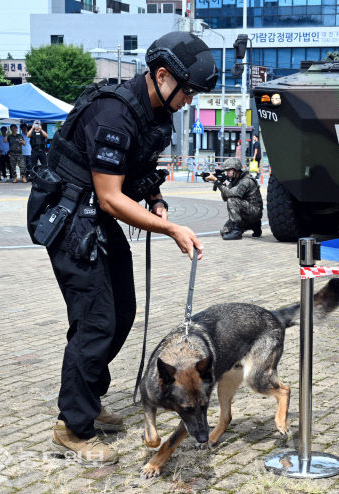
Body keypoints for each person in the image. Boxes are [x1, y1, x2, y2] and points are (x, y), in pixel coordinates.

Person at [27, 31, 218, 464]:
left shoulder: (155, 115)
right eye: (188, 91)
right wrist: (171, 231)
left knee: (123, 311)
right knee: (95, 322)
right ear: (164, 76)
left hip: (97, 216)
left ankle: (88, 400)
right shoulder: (112, 113)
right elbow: (112, 195)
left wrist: (157, 201)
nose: (190, 100)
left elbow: (141, 172)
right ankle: (73, 426)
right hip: (70, 216)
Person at [205, 157, 263, 240]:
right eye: (226, 171)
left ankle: (237, 232)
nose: (227, 173)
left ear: (236, 169)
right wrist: (222, 185)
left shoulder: (246, 181)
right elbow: (225, 197)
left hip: (254, 212)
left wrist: (216, 182)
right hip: (246, 212)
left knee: (232, 199)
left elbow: (230, 196)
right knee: (224, 231)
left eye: (229, 170)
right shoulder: (235, 181)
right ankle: (255, 225)